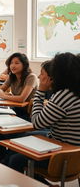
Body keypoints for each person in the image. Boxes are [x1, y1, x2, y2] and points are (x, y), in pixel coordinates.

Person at [7, 52, 80, 185]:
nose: (40, 76)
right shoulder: (74, 91)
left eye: (44, 73)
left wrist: (40, 90)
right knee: (22, 136)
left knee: (14, 159)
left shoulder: (63, 96)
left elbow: (36, 122)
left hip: (64, 154)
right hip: (74, 150)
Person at [0, 53, 38, 160]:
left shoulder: (31, 77)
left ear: (24, 65)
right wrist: (4, 94)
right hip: (14, 111)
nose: (13, 65)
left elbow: (22, 98)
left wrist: (5, 95)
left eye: (17, 63)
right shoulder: (12, 76)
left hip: (27, 115)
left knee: (1, 131)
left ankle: (2, 158)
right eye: (11, 63)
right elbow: (0, 89)